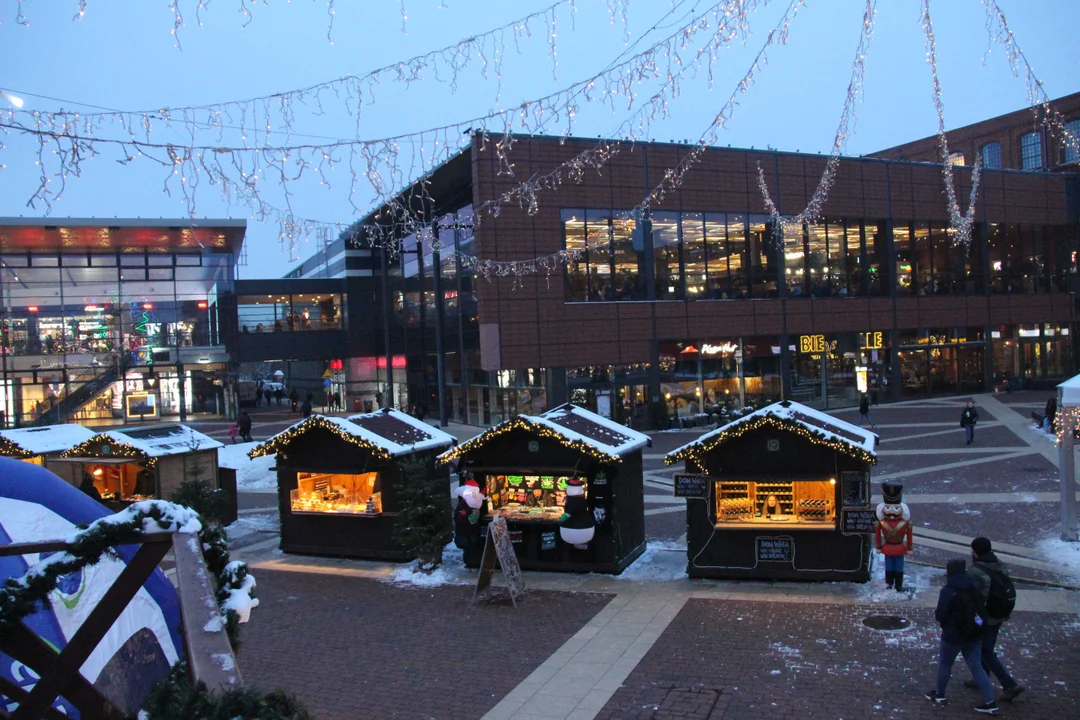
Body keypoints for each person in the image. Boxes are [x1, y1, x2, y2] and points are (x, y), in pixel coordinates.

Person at [925, 558, 998, 714]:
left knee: (945, 664)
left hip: (953, 635)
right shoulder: (974, 587)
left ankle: (939, 694)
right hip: (974, 633)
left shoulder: (948, 590)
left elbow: (941, 615)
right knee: (977, 667)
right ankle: (990, 702)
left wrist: (945, 623)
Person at [968, 537, 1025, 702]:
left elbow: (974, 598)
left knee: (985, 650)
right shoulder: (999, 564)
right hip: (1000, 613)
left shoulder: (976, 571)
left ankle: (1009, 685)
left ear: (976, 551)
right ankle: (981, 677)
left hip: (986, 617)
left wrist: (974, 618)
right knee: (986, 646)